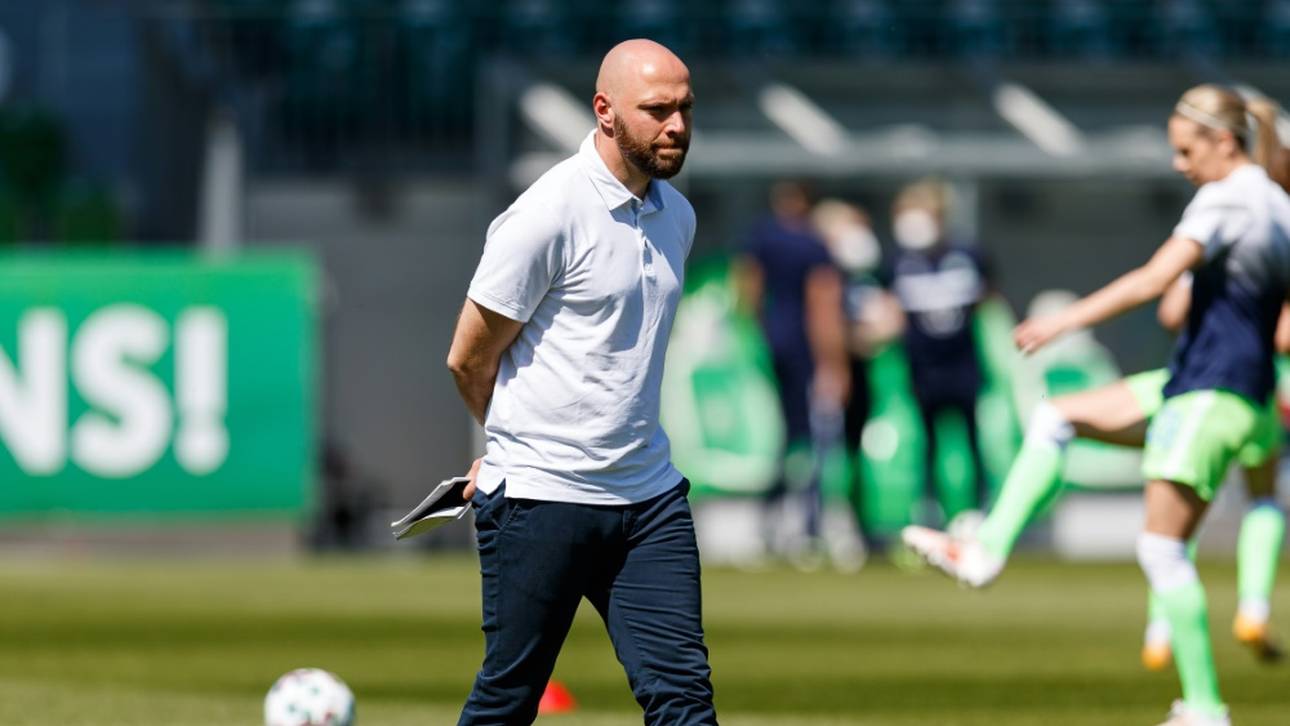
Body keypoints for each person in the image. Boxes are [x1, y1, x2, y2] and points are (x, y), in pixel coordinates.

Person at [907, 84, 1290, 726]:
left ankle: (1204, 708)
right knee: (1060, 415)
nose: (1178, 164)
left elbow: (1155, 282)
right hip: (1220, 391)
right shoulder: (1278, 203)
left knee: (1162, 550)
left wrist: (1063, 322)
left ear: (1225, 142)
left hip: (1210, 390)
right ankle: (988, 549)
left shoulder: (1227, 199)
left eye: (1186, 149)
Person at [445, 39, 717, 725]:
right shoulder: (545, 216)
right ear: (603, 111)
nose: (676, 126)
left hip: (649, 500)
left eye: (684, 109)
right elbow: (469, 359)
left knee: (683, 699)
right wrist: (508, 446)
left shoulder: (677, 215)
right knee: (509, 698)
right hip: (544, 499)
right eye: (657, 110)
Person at [734, 181, 850, 562]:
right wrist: (833, 362)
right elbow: (824, 305)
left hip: (771, 347)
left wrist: (755, 332)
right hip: (804, 350)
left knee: (784, 439)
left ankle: (768, 525)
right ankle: (807, 527)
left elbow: (748, 287)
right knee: (814, 439)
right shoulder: (812, 245)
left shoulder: (762, 238)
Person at [884, 179, 992, 522]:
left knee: (972, 441)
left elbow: (986, 301)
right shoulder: (898, 263)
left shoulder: (968, 256)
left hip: (962, 366)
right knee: (927, 444)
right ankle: (929, 511)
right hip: (922, 369)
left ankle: (978, 512)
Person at [810, 199, 904, 554]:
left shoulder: (866, 279)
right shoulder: (822, 276)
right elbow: (823, 329)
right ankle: (818, 526)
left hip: (860, 376)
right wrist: (835, 366)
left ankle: (852, 521)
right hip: (827, 378)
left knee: (850, 451)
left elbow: (886, 321)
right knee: (822, 452)